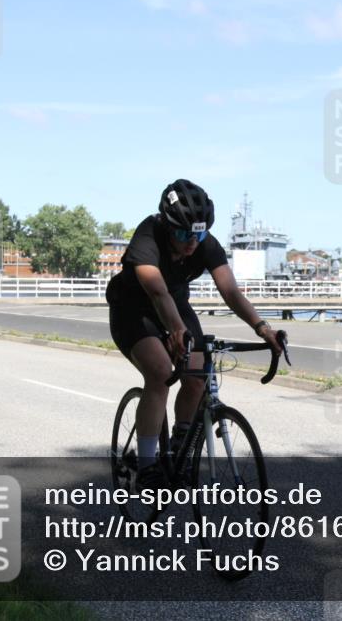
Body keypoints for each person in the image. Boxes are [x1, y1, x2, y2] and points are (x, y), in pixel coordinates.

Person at [106, 179, 282, 490]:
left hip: (174, 305)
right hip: (133, 310)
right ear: (166, 224)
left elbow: (230, 291)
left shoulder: (205, 244)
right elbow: (157, 292)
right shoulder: (148, 235)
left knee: (198, 373)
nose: (192, 242)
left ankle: (178, 449)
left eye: (198, 233)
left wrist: (262, 327)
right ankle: (147, 467)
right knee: (160, 371)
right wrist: (176, 330)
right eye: (183, 233)